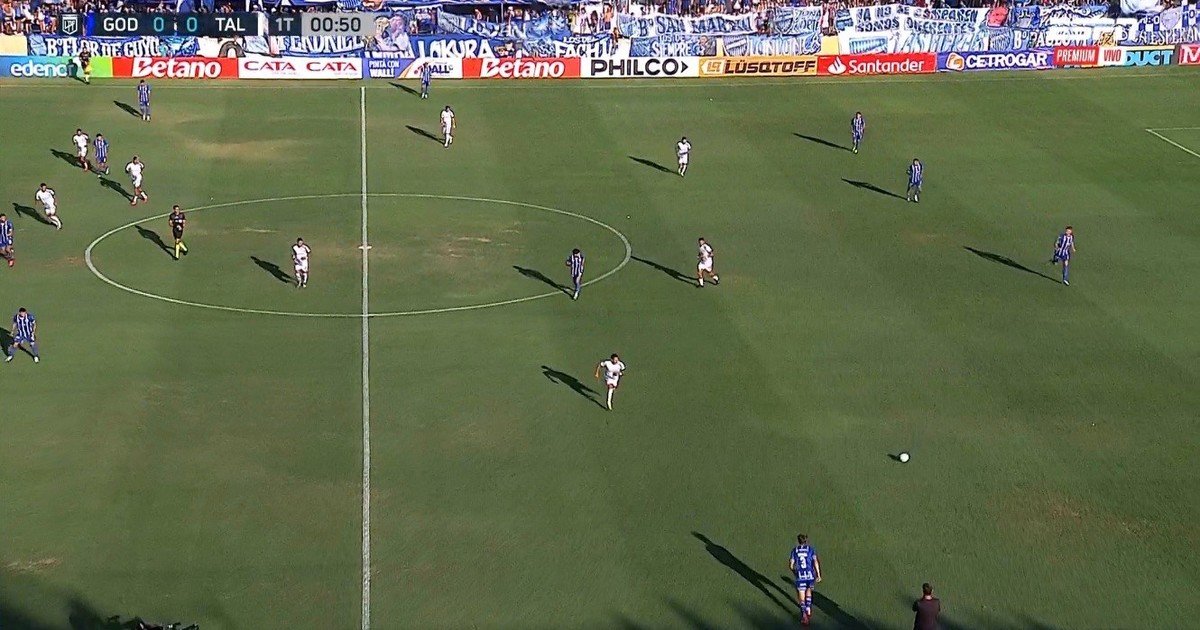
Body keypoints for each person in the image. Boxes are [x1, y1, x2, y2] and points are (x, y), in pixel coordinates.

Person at [789, 534, 821, 626]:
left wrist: (795, 572)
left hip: (800, 576)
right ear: (806, 541)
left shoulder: (794, 551)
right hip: (810, 575)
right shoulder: (810, 549)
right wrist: (818, 575)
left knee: (801, 596)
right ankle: (808, 608)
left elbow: (791, 565)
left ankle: (804, 615)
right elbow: (815, 562)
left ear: (798, 541)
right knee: (809, 591)